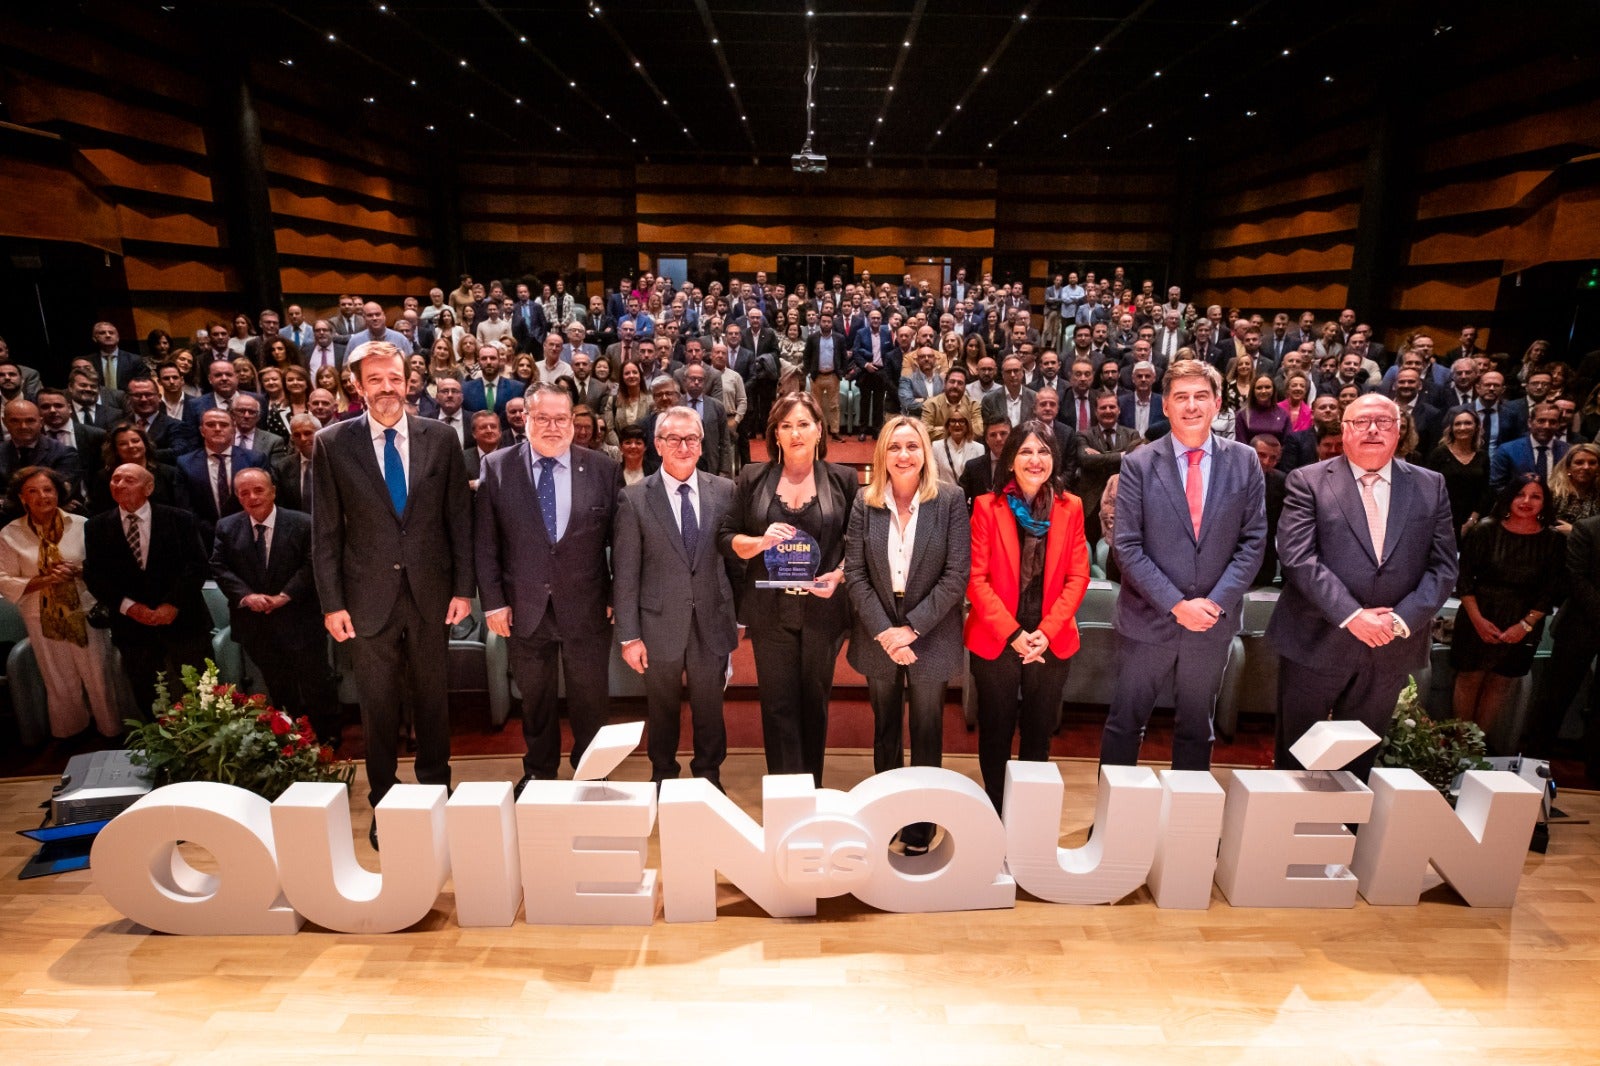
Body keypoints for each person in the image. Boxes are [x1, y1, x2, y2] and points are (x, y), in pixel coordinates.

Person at [311, 342, 474, 847]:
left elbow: (458, 521)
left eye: (395, 377)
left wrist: (464, 589)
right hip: (365, 600)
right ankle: (384, 800)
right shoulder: (332, 443)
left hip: (431, 594)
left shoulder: (441, 438)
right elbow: (326, 534)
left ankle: (435, 796)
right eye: (375, 379)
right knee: (376, 708)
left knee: (432, 703)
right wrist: (332, 603)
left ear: (409, 381)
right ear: (356, 385)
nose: (387, 387)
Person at [1266, 394, 1459, 780]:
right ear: (1345, 430)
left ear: (1399, 431)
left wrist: (1401, 621)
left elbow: (1444, 566)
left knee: (1359, 760)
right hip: (1316, 639)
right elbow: (1298, 558)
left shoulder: (1430, 485)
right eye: (1361, 422)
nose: (1373, 429)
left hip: (1390, 645)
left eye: (1383, 422)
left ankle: (1345, 834)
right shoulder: (1309, 480)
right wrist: (1352, 616)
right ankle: (1285, 839)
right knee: (1296, 756)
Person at [1100, 360, 1266, 772]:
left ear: (1217, 404)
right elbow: (1127, 546)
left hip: (1212, 622)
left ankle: (1187, 830)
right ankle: (1112, 825)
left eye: (1200, 396)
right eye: (1181, 397)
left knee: (1197, 727)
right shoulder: (1138, 463)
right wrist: (1177, 604)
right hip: (1147, 621)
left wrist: (1213, 604)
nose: (1191, 406)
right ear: (1167, 407)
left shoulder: (1245, 461)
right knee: (1125, 725)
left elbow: (1253, 541)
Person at [476, 384, 618, 790]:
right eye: (543, 418)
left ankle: (592, 771)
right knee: (534, 699)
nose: (552, 427)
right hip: (524, 606)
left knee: (590, 699)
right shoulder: (498, 467)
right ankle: (539, 769)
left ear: (573, 422)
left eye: (561, 418)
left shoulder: (602, 468)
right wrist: (493, 603)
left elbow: (620, 539)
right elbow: (486, 543)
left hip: (587, 606)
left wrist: (614, 596)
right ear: (524, 420)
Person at [717, 392, 857, 785]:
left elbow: (859, 545)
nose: (795, 433)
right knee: (777, 706)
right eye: (786, 425)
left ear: (819, 431)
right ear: (774, 434)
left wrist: (840, 575)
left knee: (815, 704)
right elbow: (727, 537)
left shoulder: (843, 479)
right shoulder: (752, 477)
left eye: (804, 424)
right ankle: (784, 794)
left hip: (823, 609)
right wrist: (760, 542)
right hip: (769, 610)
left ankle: (811, 790)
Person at [844, 417, 970, 853]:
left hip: (929, 627)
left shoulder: (950, 500)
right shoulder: (865, 501)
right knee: (885, 730)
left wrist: (911, 629)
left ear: (925, 454)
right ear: (882, 454)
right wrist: (886, 631)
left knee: (927, 727)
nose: (903, 455)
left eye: (912, 446)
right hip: (878, 624)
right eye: (894, 447)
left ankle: (920, 825)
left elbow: (956, 576)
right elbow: (856, 574)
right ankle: (885, 817)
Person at [964, 419, 1090, 813]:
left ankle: (1028, 817)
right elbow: (976, 579)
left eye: (1043, 451)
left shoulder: (1072, 507)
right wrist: (1014, 633)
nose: (1035, 460)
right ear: (1010, 459)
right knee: (996, 731)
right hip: (997, 636)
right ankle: (997, 810)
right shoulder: (988, 506)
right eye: (1026, 451)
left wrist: (1046, 633)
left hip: (1050, 640)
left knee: (1039, 732)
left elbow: (1078, 576)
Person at [613, 406, 740, 789]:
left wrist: (740, 617)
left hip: (712, 619)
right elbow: (626, 573)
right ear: (658, 444)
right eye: (674, 439)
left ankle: (708, 774)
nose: (684, 446)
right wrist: (629, 635)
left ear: (701, 444)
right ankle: (663, 773)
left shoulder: (726, 491)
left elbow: (734, 562)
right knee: (662, 707)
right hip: (657, 623)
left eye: (692, 439)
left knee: (709, 707)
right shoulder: (633, 499)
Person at [209, 468, 341, 747]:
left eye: (258, 490)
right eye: (244, 492)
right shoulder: (227, 527)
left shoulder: (303, 523)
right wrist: (247, 597)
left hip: (300, 618)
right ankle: (292, 736)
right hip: (256, 623)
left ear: (273, 491)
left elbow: (312, 564)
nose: (252, 497)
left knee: (316, 680)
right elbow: (219, 567)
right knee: (278, 683)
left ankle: (328, 734)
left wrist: (285, 595)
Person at [82, 462, 212, 720]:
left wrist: (172, 604)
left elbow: (197, 566)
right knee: (148, 696)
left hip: (184, 622)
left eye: (128, 480)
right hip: (133, 629)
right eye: (115, 479)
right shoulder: (96, 526)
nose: (119, 484)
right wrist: (130, 608)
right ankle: (161, 749)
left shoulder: (180, 519)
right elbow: (95, 576)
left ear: (149, 487)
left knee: (202, 692)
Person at [0, 467, 120, 738]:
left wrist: (77, 571)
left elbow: (103, 568)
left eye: (48, 489)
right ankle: (71, 733)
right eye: (33, 491)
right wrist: (44, 580)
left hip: (85, 610)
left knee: (99, 676)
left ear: (58, 493)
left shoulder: (82, 524)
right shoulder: (9, 534)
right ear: (22, 498)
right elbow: (3, 578)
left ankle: (110, 730)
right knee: (57, 678)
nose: (42, 496)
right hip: (40, 615)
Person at [1451, 474, 1564, 742]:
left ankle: (1476, 746)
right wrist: (1478, 620)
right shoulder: (1485, 530)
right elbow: (1464, 580)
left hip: (1523, 623)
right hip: (1478, 615)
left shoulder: (1554, 540)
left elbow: (1552, 589)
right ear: (1509, 497)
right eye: (1520, 494)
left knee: (1500, 683)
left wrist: (1525, 626)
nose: (1526, 501)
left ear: (1545, 502)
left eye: (1535, 496)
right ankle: (1456, 748)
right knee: (1469, 679)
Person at [1527, 512, 1600, 779]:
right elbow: (1577, 579)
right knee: (1554, 701)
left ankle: (1595, 774)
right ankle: (1532, 769)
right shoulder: (1587, 527)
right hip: (1579, 627)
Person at [1424, 406, 1490, 537]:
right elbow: (1428, 489)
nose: (1462, 428)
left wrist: (1472, 520)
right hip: (1442, 520)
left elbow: (1485, 491)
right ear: (1451, 429)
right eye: (1458, 424)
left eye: (1468, 423)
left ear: (1477, 426)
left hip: (1473, 523)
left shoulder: (1482, 456)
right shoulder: (1439, 454)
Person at [1550, 443, 1600, 530]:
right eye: (1579, 462)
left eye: (1592, 463)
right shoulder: (1553, 493)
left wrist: (1574, 532)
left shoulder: (1598, 493)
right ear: (1568, 467)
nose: (1586, 467)